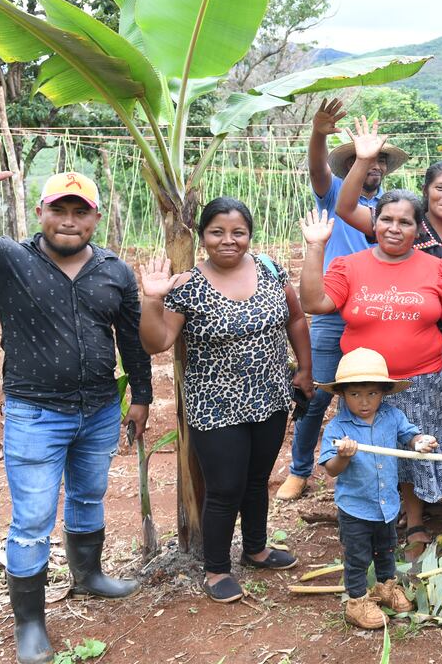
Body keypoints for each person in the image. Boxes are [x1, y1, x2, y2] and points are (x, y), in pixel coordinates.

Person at [0, 136, 151, 664]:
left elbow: (132, 338)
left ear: (95, 219)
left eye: (80, 212)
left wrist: (141, 395)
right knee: (32, 519)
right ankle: (29, 623)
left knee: (89, 497)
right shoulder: (7, 260)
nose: (69, 221)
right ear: (42, 212)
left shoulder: (114, 269)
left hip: (99, 410)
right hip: (35, 413)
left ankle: (88, 575)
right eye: (58, 210)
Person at [138, 198, 312, 603]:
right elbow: (157, 342)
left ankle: (256, 549)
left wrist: (304, 369)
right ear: (202, 236)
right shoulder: (188, 285)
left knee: (256, 480)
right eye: (217, 232)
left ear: (250, 235)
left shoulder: (270, 270)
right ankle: (216, 569)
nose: (228, 240)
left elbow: (296, 319)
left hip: (270, 398)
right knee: (224, 487)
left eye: (238, 232)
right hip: (215, 405)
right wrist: (152, 299)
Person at [300, 182, 442, 553]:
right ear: (374, 223)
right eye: (387, 220)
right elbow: (314, 302)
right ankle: (370, 521)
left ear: (418, 228)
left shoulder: (436, 269)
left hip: (421, 381)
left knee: (415, 452)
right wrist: (315, 247)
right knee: (365, 452)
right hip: (363, 386)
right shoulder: (349, 266)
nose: (395, 228)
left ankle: (415, 522)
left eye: (405, 222)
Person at [336, 126, 442, 527]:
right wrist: (364, 159)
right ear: (425, 193)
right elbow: (346, 207)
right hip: (419, 342)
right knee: (405, 427)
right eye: (439, 188)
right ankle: (404, 505)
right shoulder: (406, 226)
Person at [277, 99, 409, 501]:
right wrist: (318, 133)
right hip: (333, 307)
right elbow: (318, 169)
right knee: (318, 392)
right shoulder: (334, 192)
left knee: (373, 390)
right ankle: (300, 470)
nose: (372, 165)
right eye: (361, 159)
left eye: (379, 159)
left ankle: (373, 470)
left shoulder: (391, 206)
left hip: (377, 309)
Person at [317, 347, 439, 630]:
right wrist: (344, 457)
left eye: (372, 393)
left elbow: (410, 435)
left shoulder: (391, 416)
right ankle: (357, 603)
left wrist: (420, 442)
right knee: (358, 557)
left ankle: (386, 588)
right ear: (342, 394)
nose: (364, 402)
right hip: (355, 508)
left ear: (384, 392)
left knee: (386, 550)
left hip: (387, 504)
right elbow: (331, 469)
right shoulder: (338, 428)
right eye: (355, 394)